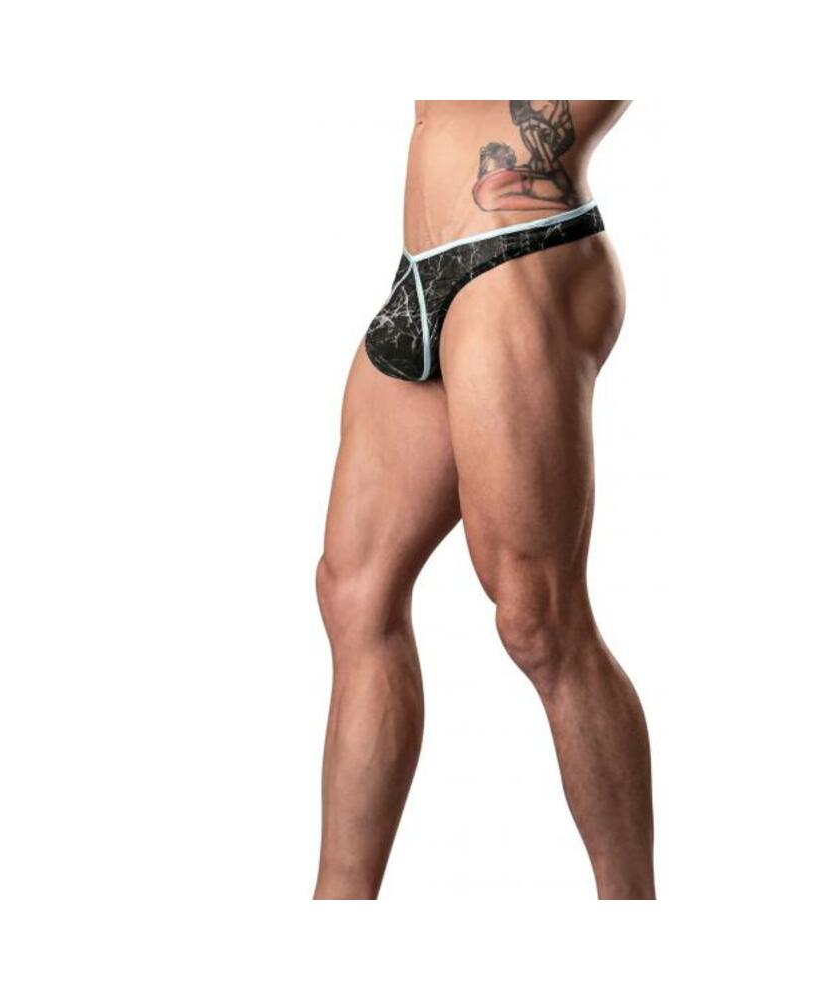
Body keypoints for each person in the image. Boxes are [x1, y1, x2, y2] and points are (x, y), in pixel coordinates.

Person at [314, 100, 654, 899]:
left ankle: (634, 909)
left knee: (538, 618)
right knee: (353, 594)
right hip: (419, 263)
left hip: (518, 252)